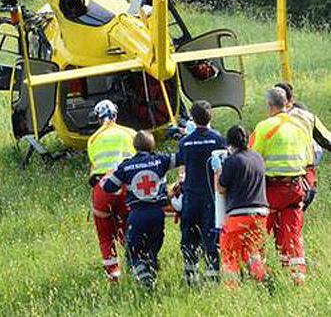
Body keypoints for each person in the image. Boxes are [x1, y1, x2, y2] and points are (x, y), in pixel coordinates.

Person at [249, 88, 310, 285]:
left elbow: (253, 158)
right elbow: (309, 159)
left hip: (271, 190)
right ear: (287, 103)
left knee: (257, 234)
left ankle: (259, 277)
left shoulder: (265, 127)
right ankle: (298, 279)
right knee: (291, 235)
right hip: (296, 189)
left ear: (270, 105)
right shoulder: (301, 126)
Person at [100, 130, 176, 288]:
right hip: (157, 213)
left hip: (137, 213)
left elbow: (108, 187)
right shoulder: (161, 160)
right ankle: (151, 272)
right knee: (153, 247)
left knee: (133, 249)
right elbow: (181, 158)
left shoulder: (126, 166)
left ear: (134, 146)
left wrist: (110, 175)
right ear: (152, 145)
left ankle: (144, 277)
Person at [176, 100, 227, 284]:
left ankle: (190, 276)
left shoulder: (184, 143)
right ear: (210, 116)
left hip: (191, 197)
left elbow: (182, 169)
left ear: (192, 117)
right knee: (211, 238)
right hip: (211, 198)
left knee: (189, 237)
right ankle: (213, 278)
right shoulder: (218, 139)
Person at [214, 125, 268, 289]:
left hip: (239, 215)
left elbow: (221, 189)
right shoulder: (258, 158)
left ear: (229, 143)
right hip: (261, 214)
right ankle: (262, 283)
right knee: (253, 252)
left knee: (229, 252)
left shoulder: (232, 161)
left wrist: (217, 171)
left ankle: (233, 289)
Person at [87, 100, 136, 282]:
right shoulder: (130, 133)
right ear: (116, 114)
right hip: (125, 188)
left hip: (101, 189)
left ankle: (113, 275)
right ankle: (135, 263)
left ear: (98, 118)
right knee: (129, 229)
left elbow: (93, 165)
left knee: (105, 235)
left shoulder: (93, 139)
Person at [275, 82, 331, 208]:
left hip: (277, 179)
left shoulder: (268, 123)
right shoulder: (307, 117)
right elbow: (326, 140)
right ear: (291, 100)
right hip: (303, 172)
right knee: (297, 210)